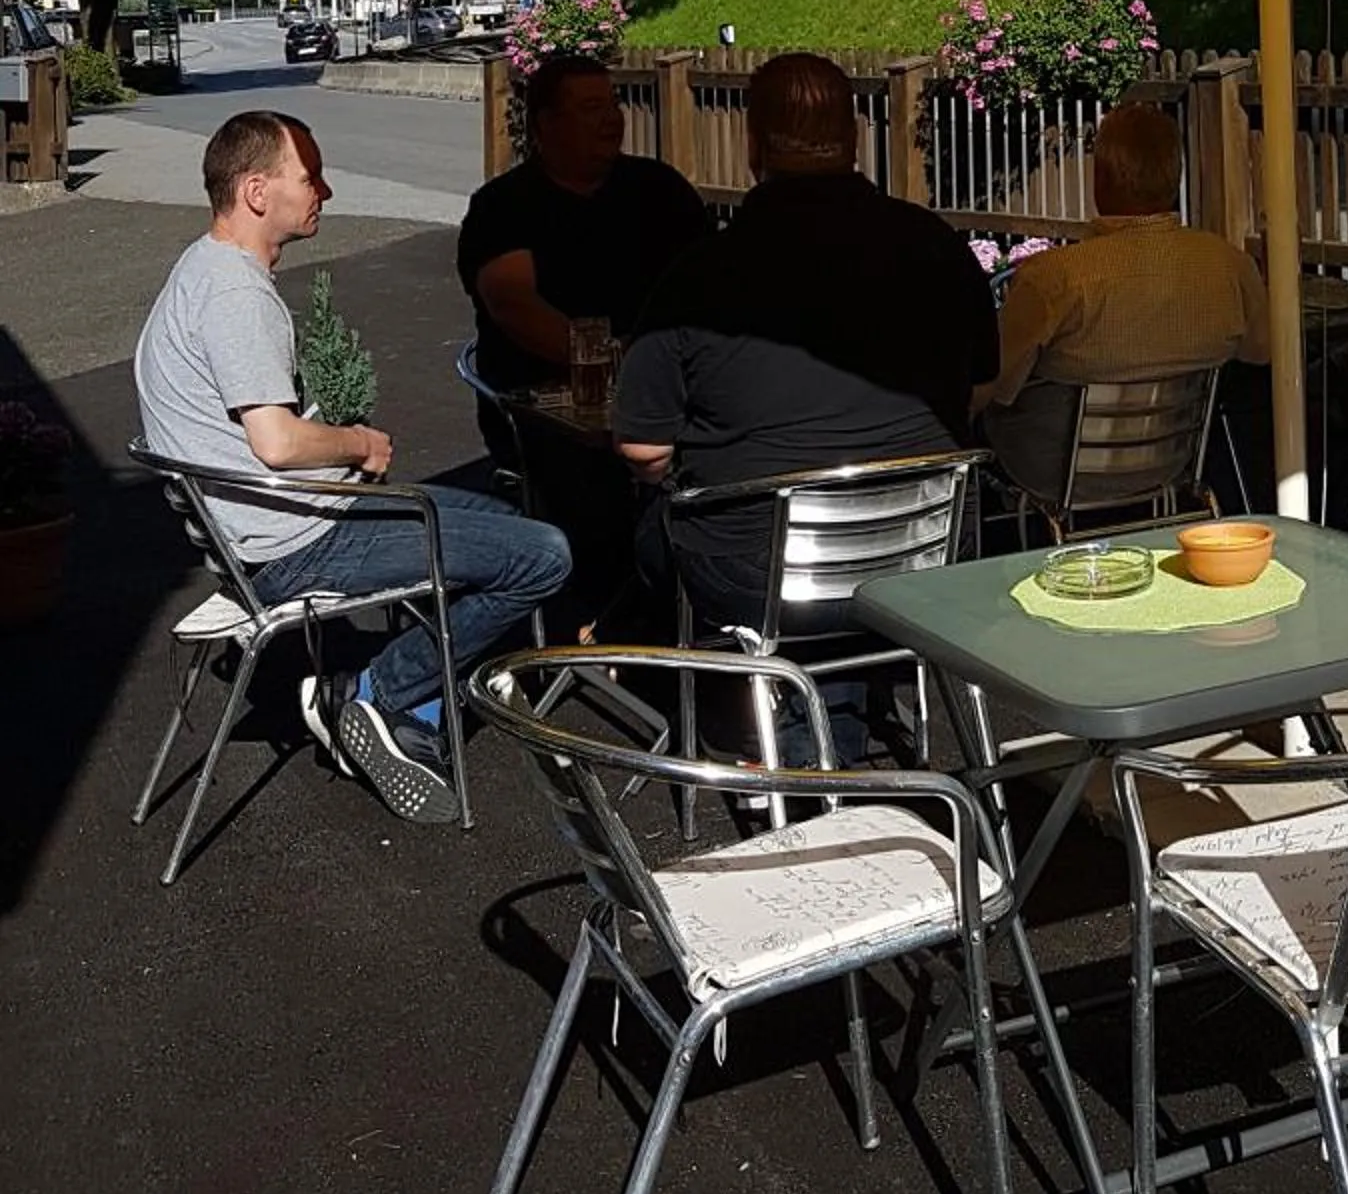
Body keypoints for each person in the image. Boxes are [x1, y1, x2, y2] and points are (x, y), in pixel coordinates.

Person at [134, 110, 569, 823]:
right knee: (543, 556)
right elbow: (276, 443)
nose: (324, 192)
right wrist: (357, 444)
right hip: (292, 547)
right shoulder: (236, 294)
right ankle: (376, 694)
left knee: (500, 521)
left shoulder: (199, 268)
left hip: (265, 531)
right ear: (255, 191)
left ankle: (413, 708)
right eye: (308, 178)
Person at [614, 52, 998, 757]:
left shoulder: (701, 273)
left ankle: (784, 736)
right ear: (855, 139)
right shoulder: (938, 248)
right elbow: (979, 390)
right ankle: (846, 712)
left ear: (753, 146)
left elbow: (643, 448)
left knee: (655, 528)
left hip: (763, 575)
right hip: (928, 558)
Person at [455, 53, 708, 606]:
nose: (612, 119)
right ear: (545, 124)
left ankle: (687, 600)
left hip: (665, 387)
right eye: (592, 108)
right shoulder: (504, 205)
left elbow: (710, 278)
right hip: (545, 402)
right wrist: (612, 361)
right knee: (594, 483)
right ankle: (608, 613)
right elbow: (512, 303)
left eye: (613, 104)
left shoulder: (658, 188)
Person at [978, 102, 1269, 506]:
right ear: (1175, 177)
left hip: (1052, 475)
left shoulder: (1056, 279)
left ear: (1100, 178)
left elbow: (989, 382)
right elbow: (1261, 353)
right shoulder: (1229, 266)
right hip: (1172, 466)